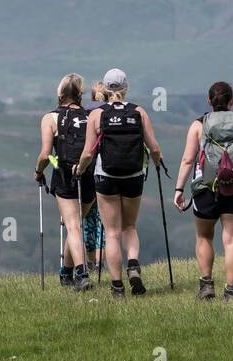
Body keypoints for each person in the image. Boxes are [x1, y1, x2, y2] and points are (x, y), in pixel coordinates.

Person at [75, 68, 163, 298]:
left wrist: (79, 169)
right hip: (133, 176)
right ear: (126, 88)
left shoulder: (97, 115)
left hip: (106, 177)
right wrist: (157, 163)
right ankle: (133, 265)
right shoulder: (139, 112)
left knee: (112, 233)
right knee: (129, 226)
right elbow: (154, 148)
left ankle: (117, 286)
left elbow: (87, 153)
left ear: (104, 88)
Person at [173, 82, 233, 301]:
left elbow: (187, 160)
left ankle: (206, 285)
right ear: (232, 101)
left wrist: (179, 188)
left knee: (204, 236)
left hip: (205, 189)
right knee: (232, 241)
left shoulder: (198, 126)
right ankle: (230, 291)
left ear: (209, 101)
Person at [33, 73, 95, 291]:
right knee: (75, 225)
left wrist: (38, 171)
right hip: (89, 177)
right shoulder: (92, 116)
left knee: (73, 226)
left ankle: (82, 273)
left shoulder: (50, 118)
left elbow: (44, 155)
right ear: (80, 94)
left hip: (65, 177)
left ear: (60, 93)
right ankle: (66, 273)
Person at [82, 81, 109, 273]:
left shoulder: (85, 115)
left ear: (91, 97)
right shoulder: (112, 114)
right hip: (108, 172)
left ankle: (90, 264)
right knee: (104, 222)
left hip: (86, 173)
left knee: (88, 221)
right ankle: (101, 263)